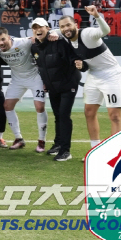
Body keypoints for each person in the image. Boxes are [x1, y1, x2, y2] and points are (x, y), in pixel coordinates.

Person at [57, 6, 121, 158]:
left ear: (76, 25)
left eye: (68, 25)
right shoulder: (66, 39)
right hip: (94, 75)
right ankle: (96, 151)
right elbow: (50, 32)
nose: (66, 29)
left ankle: (117, 155)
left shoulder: (87, 33)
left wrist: (97, 16)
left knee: (114, 116)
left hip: (111, 74)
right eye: (62, 27)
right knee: (89, 112)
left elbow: (105, 31)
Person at [31, 19, 87, 162]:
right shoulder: (35, 48)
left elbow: (74, 58)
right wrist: (45, 83)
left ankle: (65, 151)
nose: (38, 30)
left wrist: (80, 64)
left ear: (48, 28)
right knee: (57, 115)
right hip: (53, 87)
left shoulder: (59, 42)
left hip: (68, 84)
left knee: (63, 115)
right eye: (35, 28)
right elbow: (41, 68)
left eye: (40, 27)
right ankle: (58, 144)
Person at [0, 27, 48, 152]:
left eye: (3, 39)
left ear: (9, 37)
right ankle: (19, 139)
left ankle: (41, 141)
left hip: (35, 77)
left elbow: (39, 37)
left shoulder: (23, 42)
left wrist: (54, 32)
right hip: (17, 80)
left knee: (39, 107)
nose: (1, 43)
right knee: (7, 106)